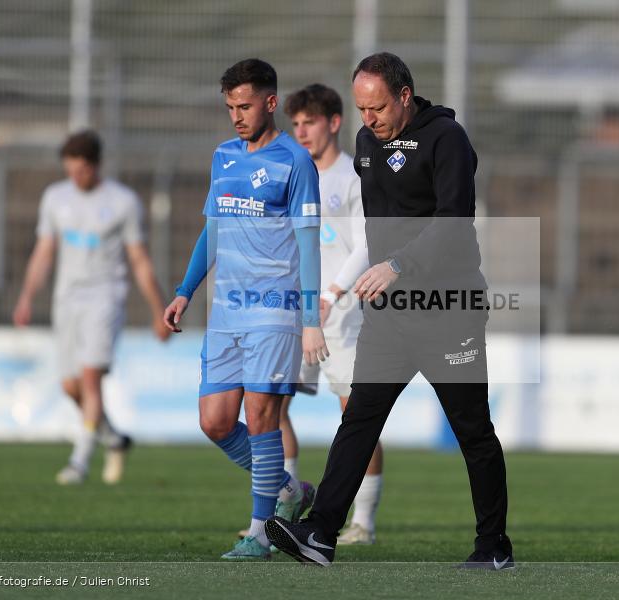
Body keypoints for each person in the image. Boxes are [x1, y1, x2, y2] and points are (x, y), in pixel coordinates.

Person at [266, 52, 514, 570]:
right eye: (361, 109)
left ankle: (493, 546)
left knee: (472, 430)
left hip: (448, 308)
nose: (369, 119)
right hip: (390, 314)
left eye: (377, 107)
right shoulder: (365, 143)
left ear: (404, 96)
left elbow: (454, 220)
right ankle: (322, 534)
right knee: (359, 419)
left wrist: (399, 264)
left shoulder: (448, 139)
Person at [162, 59, 328, 561]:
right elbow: (212, 231)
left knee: (261, 419)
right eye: (230, 107)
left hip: (273, 312)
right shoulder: (223, 157)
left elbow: (310, 244)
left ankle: (259, 532)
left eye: (245, 106)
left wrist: (310, 320)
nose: (237, 116)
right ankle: (290, 490)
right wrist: (185, 290)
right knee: (214, 421)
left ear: (271, 103)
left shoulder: (296, 162)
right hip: (226, 313)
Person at [13, 130, 170, 486]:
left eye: (81, 170)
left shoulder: (122, 202)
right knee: (71, 387)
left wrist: (158, 308)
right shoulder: (55, 198)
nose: (76, 177)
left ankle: (79, 460)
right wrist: (26, 296)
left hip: (105, 295)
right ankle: (113, 437)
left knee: (89, 377)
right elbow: (44, 252)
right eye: (70, 170)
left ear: (96, 165)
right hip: (66, 299)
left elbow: (140, 260)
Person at [281, 83, 381, 545]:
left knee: (354, 414)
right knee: (269, 407)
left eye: (310, 123)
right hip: (295, 308)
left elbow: (366, 244)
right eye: (295, 124)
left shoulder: (353, 177)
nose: (301, 132)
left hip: (341, 312)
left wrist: (334, 293)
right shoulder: (288, 173)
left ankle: (362, 521)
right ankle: (277, 506)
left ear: (334, 123)